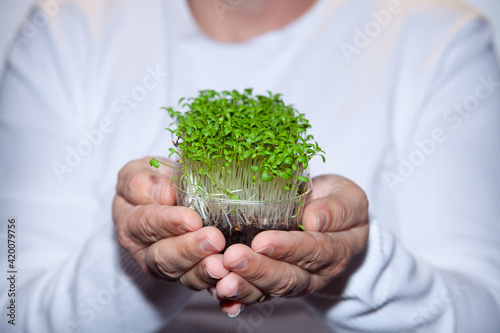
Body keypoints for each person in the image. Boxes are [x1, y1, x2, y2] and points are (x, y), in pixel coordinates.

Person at [1, 0, 499, 332]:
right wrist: (143, 260)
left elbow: (483, 315)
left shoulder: (435, 33)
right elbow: (11, 305)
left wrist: (356, 264)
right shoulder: (68, 26)